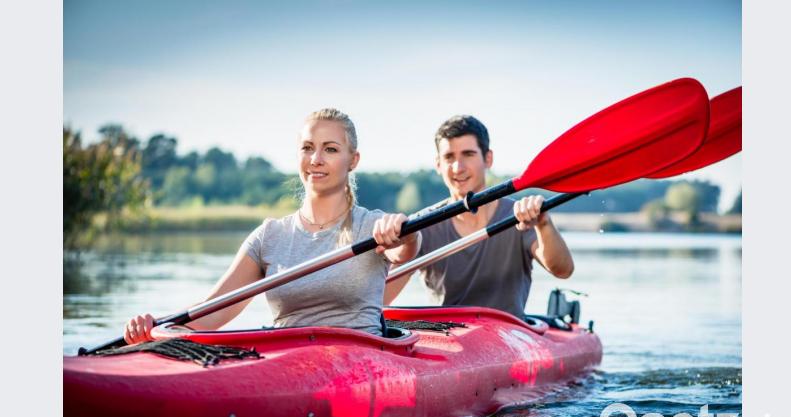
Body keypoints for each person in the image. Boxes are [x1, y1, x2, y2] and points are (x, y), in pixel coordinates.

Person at [123, 108, 421, 343]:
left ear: (352, 160)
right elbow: (209, 312)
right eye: (307, 148)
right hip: (288, 366)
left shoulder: (372, 226)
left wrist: (404, 234)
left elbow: (407, 250)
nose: (316, 159)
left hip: (361, 365)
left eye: (330, 149)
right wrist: (154, 328)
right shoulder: (269, 236)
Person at [384, 115, 573, 320]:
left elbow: (562, 270)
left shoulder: (518, 216)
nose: (458, 167)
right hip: (448, 340)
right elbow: (379, 299)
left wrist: (543, 224)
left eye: (468, 154)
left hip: (510, 337)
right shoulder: (422, 225)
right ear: (438, 164)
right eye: (449, 157)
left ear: (488, 159)